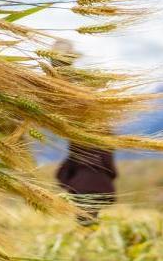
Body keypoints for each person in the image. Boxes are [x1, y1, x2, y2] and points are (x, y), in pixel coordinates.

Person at [51, 38, 117, 226]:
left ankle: (86, 230)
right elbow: (108, 165)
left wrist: (65, 177)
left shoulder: (76, 90)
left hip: (83, 183)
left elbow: (75, 159)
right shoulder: (100, 131)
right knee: (88, 218)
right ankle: (87, 230)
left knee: (86, 218)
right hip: (90, 182)